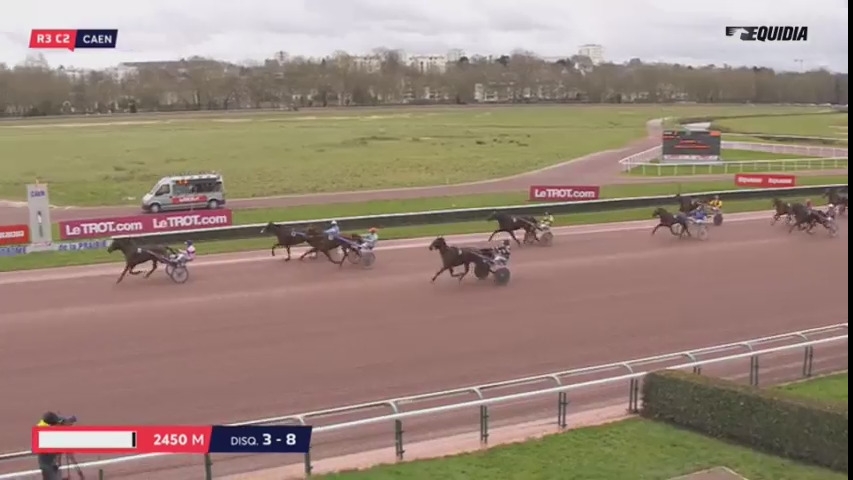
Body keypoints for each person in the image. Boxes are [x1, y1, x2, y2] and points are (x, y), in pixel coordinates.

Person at [36, 412, 77, 480]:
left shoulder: (47, 423)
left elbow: (59, 421)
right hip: (47, 464)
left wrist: (67, 421)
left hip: (52, 462)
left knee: (56, 473)